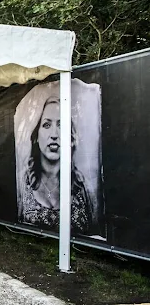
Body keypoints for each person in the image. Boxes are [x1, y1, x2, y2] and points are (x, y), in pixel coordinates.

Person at [19, 96, 91, 233]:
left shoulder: (80, 185)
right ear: (36, 136)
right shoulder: (24, 182)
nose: (54, 134)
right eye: (46, 125)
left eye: (61, 125)